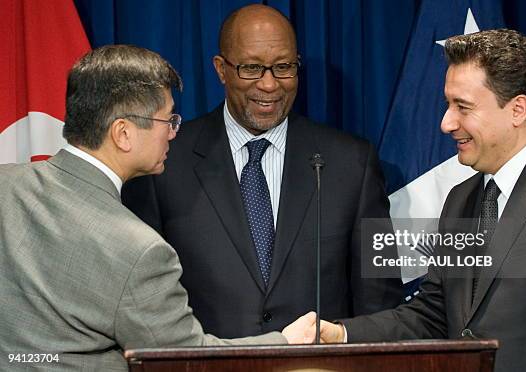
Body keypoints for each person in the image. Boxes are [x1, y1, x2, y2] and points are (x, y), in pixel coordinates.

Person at [0, 45, 315, 372]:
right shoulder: (139, 250)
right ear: (123, 133)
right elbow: (183, 359)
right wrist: (287, 342)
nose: (173, 132)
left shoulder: (5, 184)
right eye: (167, 119)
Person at [315, 29, 526, 372]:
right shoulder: (461, 200)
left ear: (517, 109)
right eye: (447, 104)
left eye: (463, 107)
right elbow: (433, 316)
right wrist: (338, 334)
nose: (446, 123)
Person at [122, 4, 404, 339]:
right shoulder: (164, 163)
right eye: (252, 68)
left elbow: (380, 306)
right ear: (221, 69)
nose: (269, 85)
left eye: (283, 67)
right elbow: (142, 301)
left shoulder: (354, 162)